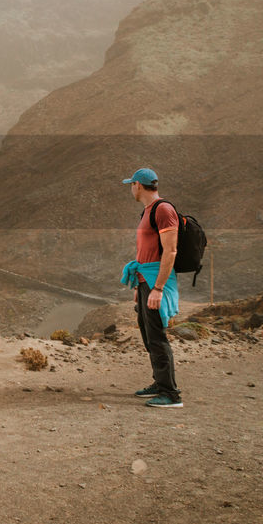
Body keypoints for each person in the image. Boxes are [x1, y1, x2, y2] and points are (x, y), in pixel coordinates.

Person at [119, 167, 183, 408]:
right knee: (148, 333)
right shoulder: (147, 212)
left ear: (138, 185)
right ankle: (160, 382)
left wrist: (158, 288)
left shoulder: (163, 210)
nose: (131, 190)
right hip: (146, 280)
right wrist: (140, 285)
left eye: (131, 185)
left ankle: (171, 394)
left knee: (157, 337)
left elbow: (171, 250)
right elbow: (146, 251)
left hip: (158, 282)